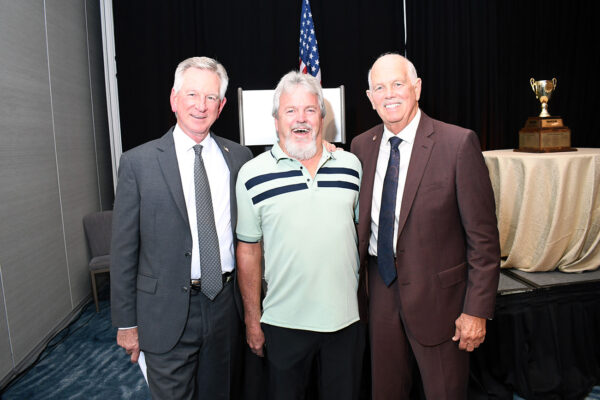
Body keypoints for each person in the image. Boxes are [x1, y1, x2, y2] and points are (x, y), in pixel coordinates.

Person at [350, 53, 501, 399]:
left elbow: (484, 241)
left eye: (398, 84)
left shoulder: (458, 144)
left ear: (417, 88)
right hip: (380, 292)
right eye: (379, 87)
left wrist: (476, 311)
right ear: (370, 98)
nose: (389, 94)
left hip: (442, 302)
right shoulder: (360, 147)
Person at [110, 56, 253, 399]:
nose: (200, 106)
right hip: (163, 312)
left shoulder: (240, 158)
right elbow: (124, 249)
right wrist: (126, 323)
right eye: (192, 95)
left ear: (222, 105)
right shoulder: (138, 163)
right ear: (174, 99)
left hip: (223, 307)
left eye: (210, 97)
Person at [235, 71, 365, 400]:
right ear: (276, 119)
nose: (300, 119)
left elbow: (363, 236)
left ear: (322, 116)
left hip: (345, 323)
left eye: (309, 109)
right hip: (282, 325)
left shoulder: (351, 166)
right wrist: (253, 321)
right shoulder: (251, 175)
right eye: (290, 110)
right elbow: (248, 251)